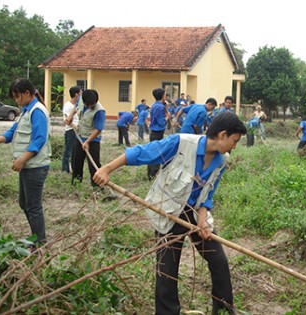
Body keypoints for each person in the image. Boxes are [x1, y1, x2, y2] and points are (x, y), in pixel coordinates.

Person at [92, 112, 247, 315]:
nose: (234, 146)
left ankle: (224, 309)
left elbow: (208, 192)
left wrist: (202, 218)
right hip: (169, 211)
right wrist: (107, 168)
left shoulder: (222, 161)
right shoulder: (181, 144)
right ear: (223, 135)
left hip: (194, 214)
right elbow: (142, 153)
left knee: (218, 259)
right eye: (234, 141)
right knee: (168, 270)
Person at [0, 78, 51, 246]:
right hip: (28, 166)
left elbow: (39, 140)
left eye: (18, 97)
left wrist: (22, 159)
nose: (16, 100)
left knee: (33, 206)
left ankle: (39, 243)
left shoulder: (37, 111)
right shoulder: (26, 111)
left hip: (35, 166)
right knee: (25, 203)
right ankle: (36, 237)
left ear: (27, 93)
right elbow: (13, 131)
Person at [66, 89, 106, 188]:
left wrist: (87, 141)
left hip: (92, 140)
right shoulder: (80, 99)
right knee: (76, 161)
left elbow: (98, 129)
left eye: (92, 104)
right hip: (80, 136)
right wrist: (71, 115)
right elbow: (76, 107)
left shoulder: (99, 111)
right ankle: (76, 183)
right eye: (88, 105)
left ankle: (97, 186)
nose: (90, 107)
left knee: (93, 164)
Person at [148, 88, 169, 180]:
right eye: (165, 95)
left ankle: (150, 173)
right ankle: (153, 174)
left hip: (154, 132)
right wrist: (167, 118)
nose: (165, 96)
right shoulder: (160, 107)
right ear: (162, 96)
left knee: (152, 152)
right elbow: (161, 122)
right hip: (157, 133)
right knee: (157, 153)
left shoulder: (155, 105)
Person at [61, 86, 81, 173]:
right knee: (68, 151)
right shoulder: (68, 106)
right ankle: (65, 169)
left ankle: (73, 168)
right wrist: (74, 126)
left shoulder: (79, 105)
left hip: (78, 130)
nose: (81, 94)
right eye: (80, 93)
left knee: (75, 152)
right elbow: (67, 120)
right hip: (71, 130)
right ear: (76, 94)